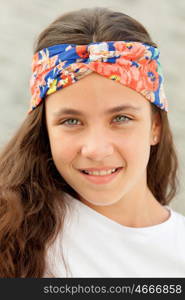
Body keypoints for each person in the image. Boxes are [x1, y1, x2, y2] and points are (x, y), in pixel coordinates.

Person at [0, 7, 185, 278]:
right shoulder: (11, 235)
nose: (96, 150)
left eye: (121, 118)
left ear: (155, 126)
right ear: (44, 129)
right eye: (71, 121)